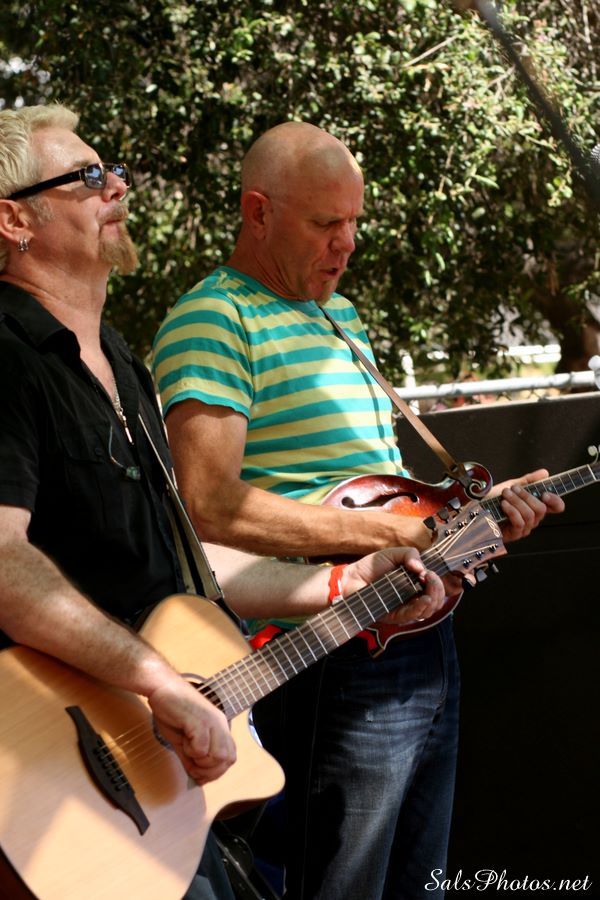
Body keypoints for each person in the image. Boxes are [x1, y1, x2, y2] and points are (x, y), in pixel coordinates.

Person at [0, 106, 447, 900]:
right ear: (14, 221)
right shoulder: (7, 359)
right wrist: (158, 680)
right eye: (89, 177)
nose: (118, 188)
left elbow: (189, 565)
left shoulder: (120, 363)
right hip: (60, 766)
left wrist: (346, 582)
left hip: (161, 766)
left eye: (115, 171)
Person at [152, 122, 565, 899]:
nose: (345, 244)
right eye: (324, 223)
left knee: (418, 883)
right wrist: (396, 532)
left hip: (415, 627)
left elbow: (377, 484)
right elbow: (207, 505)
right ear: (257, 211)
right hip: (325, 647)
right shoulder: (213, 318)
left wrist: (471, 517)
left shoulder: (339, 315)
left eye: (352, 222)